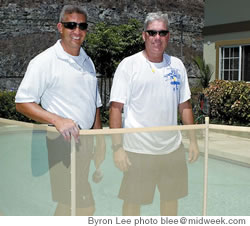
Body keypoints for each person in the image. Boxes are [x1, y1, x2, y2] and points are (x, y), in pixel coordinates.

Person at [15, 5, 105, 216]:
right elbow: (22, 102)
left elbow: (95, 104)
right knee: (80, 206)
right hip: (61, 144)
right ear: (60, 27)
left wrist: (100, 141)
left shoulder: (87, 61)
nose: (77, 31)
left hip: (83, 144)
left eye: (82, 26)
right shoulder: (44, 61)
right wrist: (58, 120)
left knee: (70, 205)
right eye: (70, 25)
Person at [109, 11, 199, 216]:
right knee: (132, 204)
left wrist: (193, 140)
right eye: (152, 33)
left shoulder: (177, 65)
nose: (157, 38)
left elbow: (185, 106)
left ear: (168, 36)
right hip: (138, 151)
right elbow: (116, 108)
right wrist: (117, 148)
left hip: (172, 150)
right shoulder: (129, 65)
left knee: (170, 202)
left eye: (162, 32)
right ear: (144, 35)